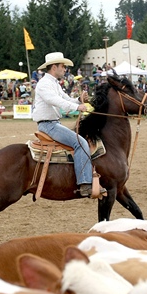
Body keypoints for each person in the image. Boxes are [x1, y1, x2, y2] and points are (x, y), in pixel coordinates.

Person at [32, 52, 104, 198]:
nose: (65, 69)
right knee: (81, 143)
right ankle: (85, 184)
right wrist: (78, 107)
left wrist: (78, 100)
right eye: (62, 66)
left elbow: (65, 98)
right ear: (54, 67)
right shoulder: (44, 84)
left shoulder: (52, 83)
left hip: (52, 124)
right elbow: (56, 101)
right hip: (49, 126)